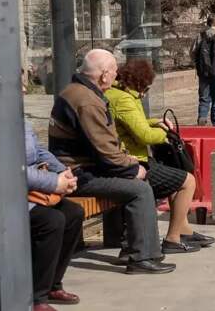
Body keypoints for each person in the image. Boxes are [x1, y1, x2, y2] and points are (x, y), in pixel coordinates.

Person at [48, 49, 175, 275]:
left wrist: (127, 163)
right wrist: (133, 168)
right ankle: (141, 257)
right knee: (140, 189)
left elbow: (104, 146)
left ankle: (137, 250)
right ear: (104, 74)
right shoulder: (87, 101)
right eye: (115, 71)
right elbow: (106, 152)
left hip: (81, 168)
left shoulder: (76, 91)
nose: (117, 76)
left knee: (137, 182)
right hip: (78, 174)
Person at [105, 59, 215, 254]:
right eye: (146, 88)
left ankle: (183, 229)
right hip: (134, 161)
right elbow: (144, 135)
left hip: (129, 158)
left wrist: (154, 122)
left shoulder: (117, 94)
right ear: (138, 83)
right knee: (188, 182)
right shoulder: (124, 99)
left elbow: (133, 123)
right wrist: (165, 135)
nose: (145, 93)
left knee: (175, 179)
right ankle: (173, 238)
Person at [23, 71, 83, 311]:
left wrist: (63, 172)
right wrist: (54, 183)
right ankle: (37, 298)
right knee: (51, 221)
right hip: (6, 197)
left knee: (73, 213)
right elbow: (10, 169)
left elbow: (38, 151)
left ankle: (52, 284)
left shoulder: (19, 119)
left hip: (31, 190)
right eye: (19, 86)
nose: (25, 90)